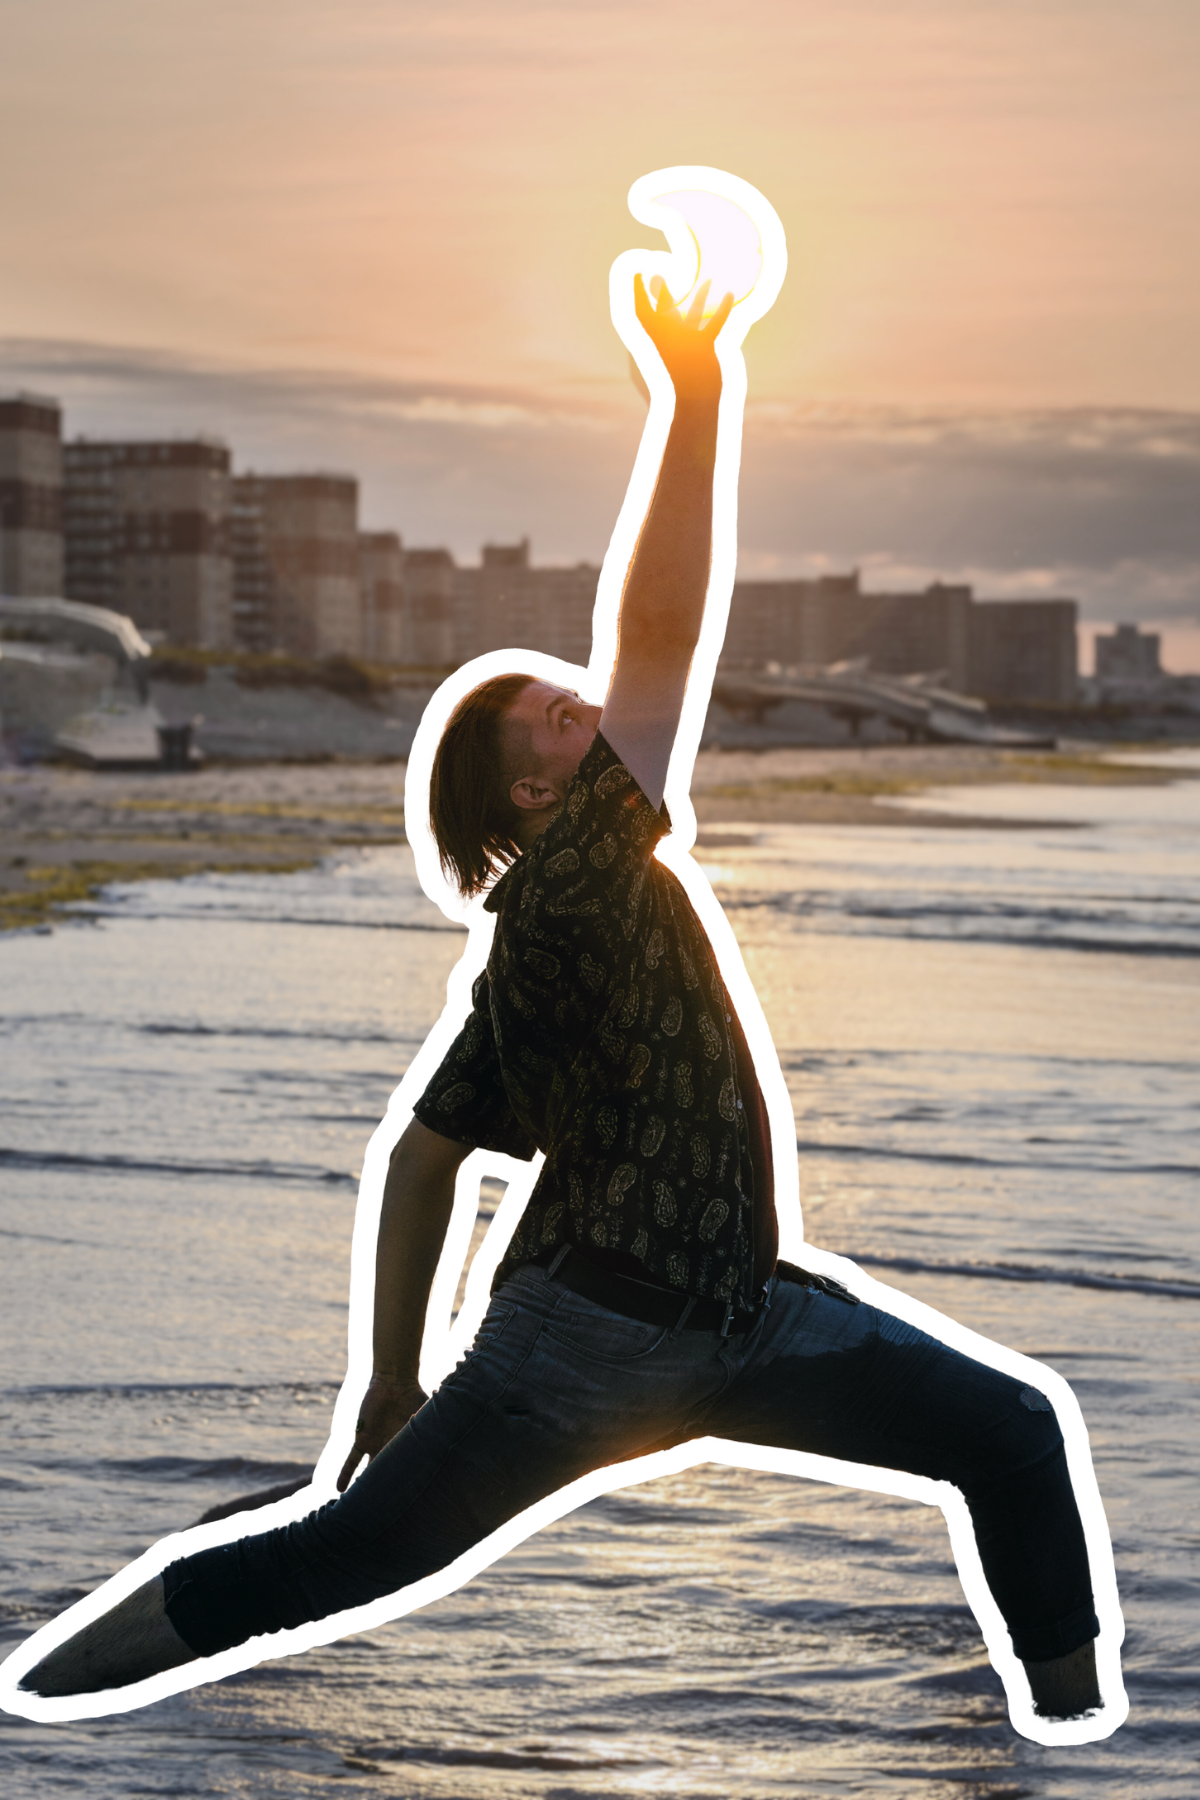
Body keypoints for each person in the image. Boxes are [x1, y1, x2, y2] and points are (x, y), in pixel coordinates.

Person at [21, 274, 1104, 1724]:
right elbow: (662, 629)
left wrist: (393, 1385)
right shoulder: (581, 874)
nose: (585, 708)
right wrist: (697, 395)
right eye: (555, 713)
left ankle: (1073, 1731)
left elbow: (422, 1151)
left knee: (1012, 1431)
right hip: (605, 1341)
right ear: (537, 791)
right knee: (349, 1558)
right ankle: (37, 1701)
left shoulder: (539, 938)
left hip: (731, 1319)